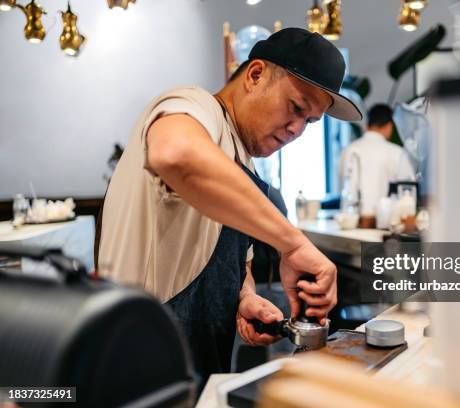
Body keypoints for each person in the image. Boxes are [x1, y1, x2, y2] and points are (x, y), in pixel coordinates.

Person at [96, 28, 362, 388]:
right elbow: (176, 152)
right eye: (296, 107)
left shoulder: (243, 170)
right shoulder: (196, 106)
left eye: (310, 122)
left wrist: (246, 298)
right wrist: (294, 245)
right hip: (139, 365)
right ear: (255, 75)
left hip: (199, 372)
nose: (297, 129)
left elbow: (235, 261)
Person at [339, 104, 415, 217]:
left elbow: (343, 187)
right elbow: (408, 192)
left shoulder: (348, 150)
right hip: (383, 224)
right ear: (389, 126)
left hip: (349, 222)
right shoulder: (397, 152)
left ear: (367, 125)